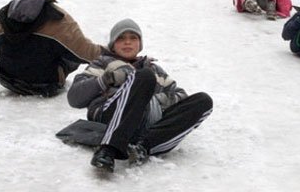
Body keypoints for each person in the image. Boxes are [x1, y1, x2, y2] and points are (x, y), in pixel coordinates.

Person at [67, 19, 213, 172]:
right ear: (113, 44)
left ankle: (143, 148)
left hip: (146, 121)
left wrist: (155, 100)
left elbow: (180, 95)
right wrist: (106, 79)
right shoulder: (102, 63)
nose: (127, 42)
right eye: (121, 38)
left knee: (203, 101)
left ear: (140, 44)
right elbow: (75, 98)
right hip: (110, 115)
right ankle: (108, 149)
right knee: (144, 77)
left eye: (133, 38)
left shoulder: (153, 69)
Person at [0, 0, 104, 97]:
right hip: (44, 83)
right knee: (71, 54)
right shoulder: (58, 18)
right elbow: (85, 51)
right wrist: (118, 55)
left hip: (8, 76)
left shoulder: (8, 12)